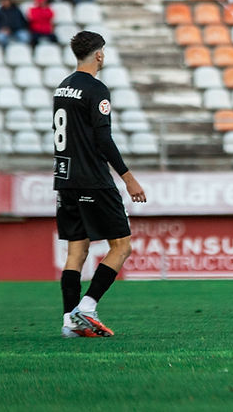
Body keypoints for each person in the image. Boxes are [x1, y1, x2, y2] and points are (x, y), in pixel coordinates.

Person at [54, 31, 147, 338]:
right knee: (121, 246)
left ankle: (70, 322)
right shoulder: (96, 89)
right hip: (92, 180)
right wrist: (128, 177)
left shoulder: (62, 88)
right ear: (99, 55)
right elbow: (102, 139)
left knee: (75, 252)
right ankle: (88, 306)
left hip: (65, 180)